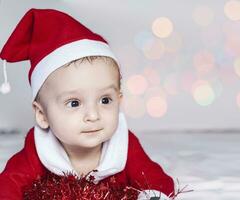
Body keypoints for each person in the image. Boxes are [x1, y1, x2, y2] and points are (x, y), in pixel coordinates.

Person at [0, 8, 174, 199]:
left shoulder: (123, 144)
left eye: (105, 100)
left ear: (119, 101)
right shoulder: (39, 148)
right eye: (74, 103)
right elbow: (9, 183)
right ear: (42, 115)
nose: (93, 115)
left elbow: (156, 180)